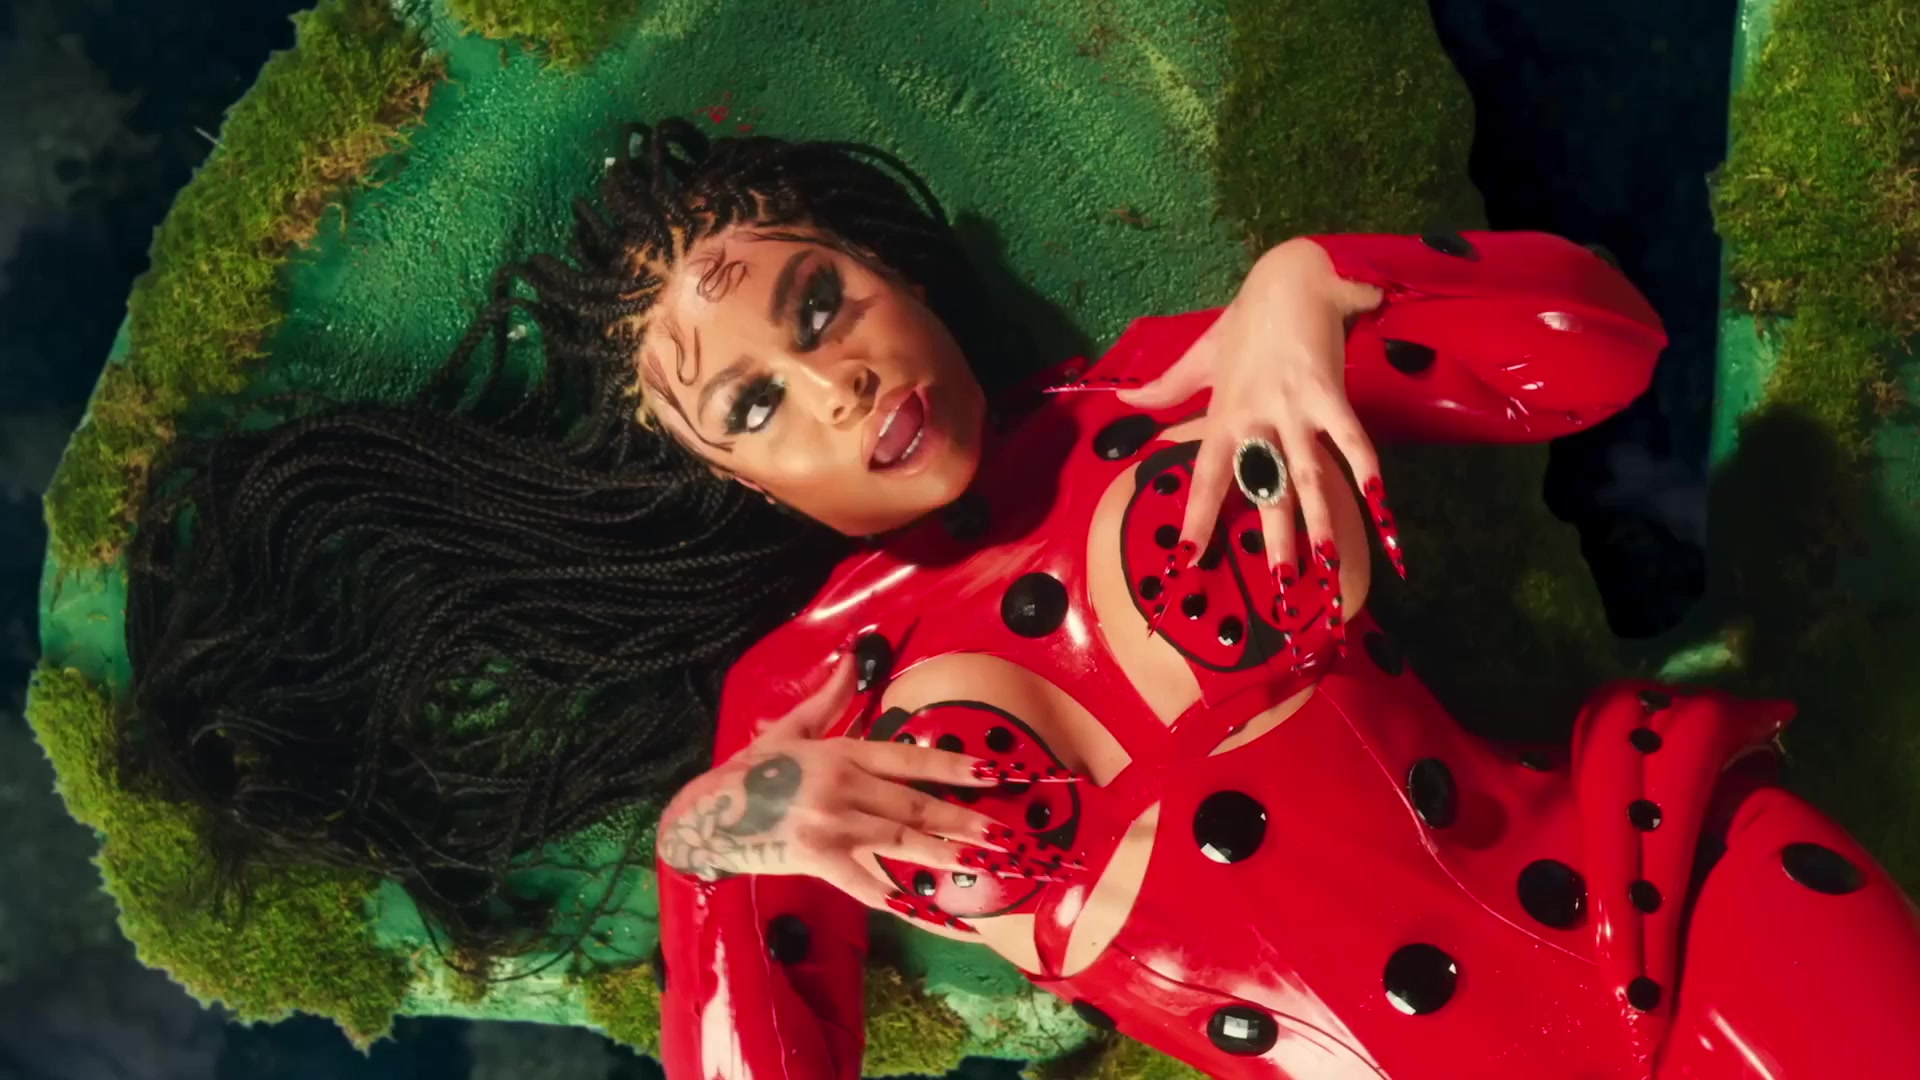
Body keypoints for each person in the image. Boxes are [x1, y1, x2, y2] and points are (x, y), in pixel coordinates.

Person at [122, 120, 1920, 1079]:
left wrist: (1312, 290)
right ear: (728, 479)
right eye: (751, 404)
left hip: (1666, 917)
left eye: (817, 303)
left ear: (890, 269)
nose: (832, 382)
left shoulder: (1164, 385)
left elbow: (1603, 349)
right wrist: (712, 843)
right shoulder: (793, 707)